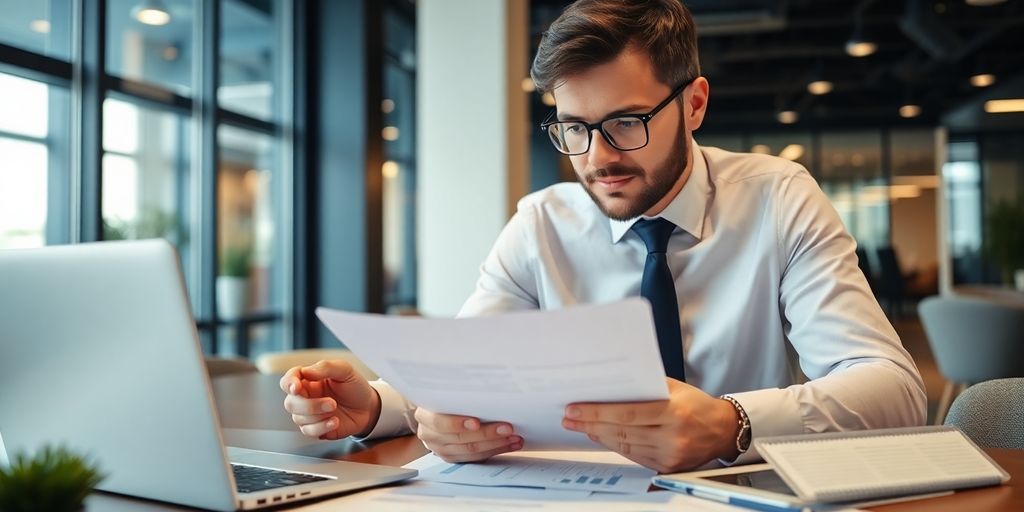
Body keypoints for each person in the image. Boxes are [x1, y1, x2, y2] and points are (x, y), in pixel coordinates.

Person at [280, 0, 926, 473]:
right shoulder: (541, 222)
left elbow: (894, 390)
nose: (597, 157)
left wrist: (734, 423)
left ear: (694, 104)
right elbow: (465, 372)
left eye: (625, 122)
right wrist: (377, 406)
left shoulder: (778, 198)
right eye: (574, 128)